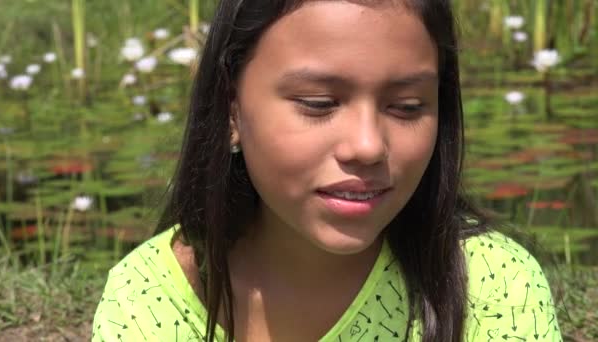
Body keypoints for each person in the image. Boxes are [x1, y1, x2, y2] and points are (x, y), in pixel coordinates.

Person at [92, 0, 562, 341]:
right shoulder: (149, 301)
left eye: (406, 106)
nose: (367, 145)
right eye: (318, 104)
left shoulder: (491, 284)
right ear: (231, 110)